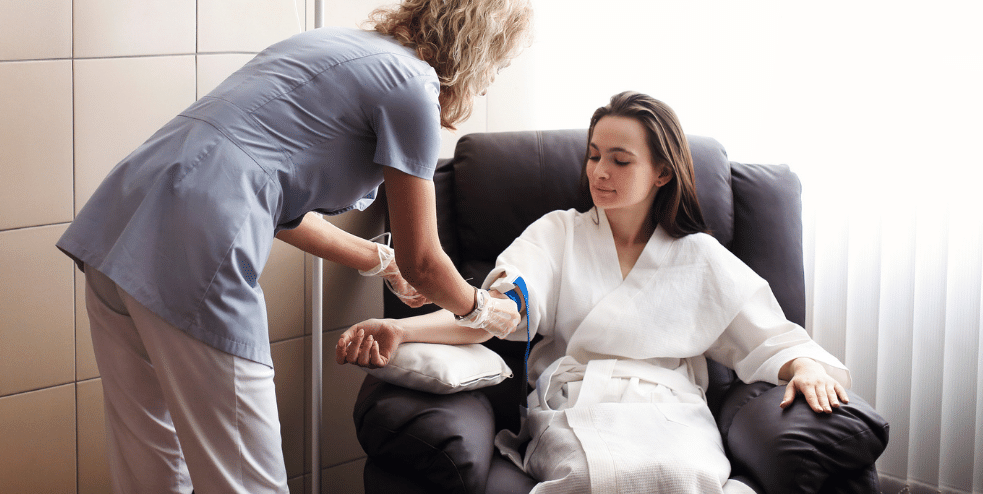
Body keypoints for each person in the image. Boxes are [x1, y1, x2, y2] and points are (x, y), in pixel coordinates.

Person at [57, 0, 531, 494]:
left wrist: (380, 259)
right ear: (483, 48)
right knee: (246, 479)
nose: (491, 81)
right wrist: (480, 311)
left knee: (149, 461)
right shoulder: (413, 90)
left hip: (122, 216)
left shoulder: (332, 45)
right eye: (501, 65)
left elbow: (275, 200)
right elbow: (426, 257)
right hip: (198, 240)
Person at [336, 91, 851, 494]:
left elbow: (769, 336)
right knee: (593, 479)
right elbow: (493, 313)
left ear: (663, 172)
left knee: (686, 476)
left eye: (620, 161)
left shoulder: (700, 257)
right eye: (595, 156)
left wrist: (802, 365)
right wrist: (400, 328)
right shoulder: (557, 234)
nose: (600, 173)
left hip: (670, 408)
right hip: (579, 402)